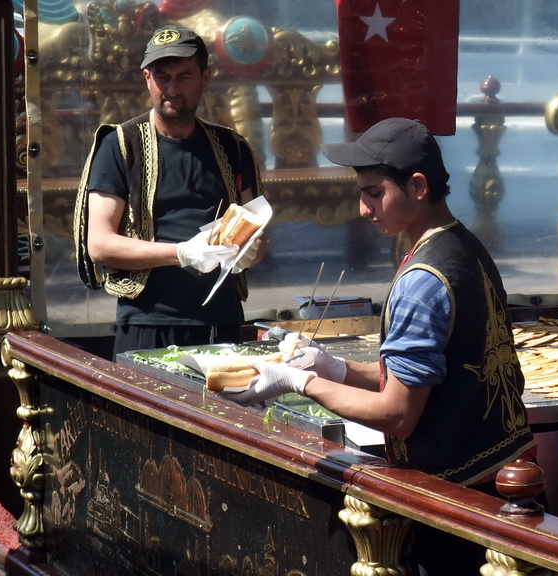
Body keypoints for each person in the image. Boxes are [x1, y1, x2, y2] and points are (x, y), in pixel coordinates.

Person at [224, 117, 535, 574]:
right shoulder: (464, 245)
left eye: (374, 192)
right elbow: (426, 376)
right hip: (506, 478)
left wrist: (300, 381)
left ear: (417, 186)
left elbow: (398, 413)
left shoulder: (423, 280)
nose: (364, 209)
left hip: (462, 498)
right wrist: (337, 369)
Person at [73, 24, 265, 358]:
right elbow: (100, 246)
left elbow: (254, 229)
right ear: (147, 78)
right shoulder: (120, 145)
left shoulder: (232, 147)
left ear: (205, 78)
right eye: (162, 77)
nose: (172, 89)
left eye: (184, 77)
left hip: (222, 321)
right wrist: (182, 253)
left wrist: (252, 251)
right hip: (148, 322)